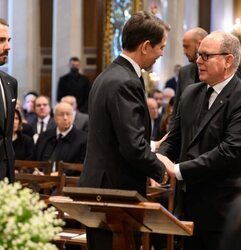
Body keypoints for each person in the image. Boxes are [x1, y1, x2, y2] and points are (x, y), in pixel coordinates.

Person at [79, 11, 170, 250]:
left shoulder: (107, 75)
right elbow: (131, 146)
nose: (162, 53)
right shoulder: (126, 81)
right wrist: (163, 172)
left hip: (101, 189)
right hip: (115, 193)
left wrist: (151, 146)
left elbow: (113, 135)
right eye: (161, 47)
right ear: (145, 46)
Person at [158, 31, 241, 250]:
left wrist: (178, 170)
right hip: (188, 207)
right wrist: (159, 162)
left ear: (228, 60)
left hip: (224, 210)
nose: (198, 61)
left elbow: (229, 151)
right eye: (199, 55)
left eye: (206, 56)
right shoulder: (190, 93)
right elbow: (174, 138)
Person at [33, 102, 87, 173]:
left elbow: (82, 166)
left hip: (68, 181)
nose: (65, 118)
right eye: (61, 114)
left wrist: (60, 174)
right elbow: (35, 160)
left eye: (68, 114)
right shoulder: (44, 136)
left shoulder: (83, 138)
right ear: (54, 117)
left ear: (73, 117)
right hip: (42, 179)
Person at [0, 18, 17, 182]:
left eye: (8, 40)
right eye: (1, 40)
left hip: (6, 177)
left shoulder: (10, 83)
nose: (8, 47)